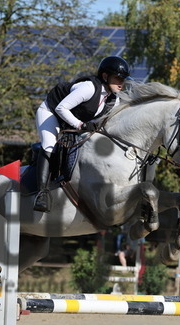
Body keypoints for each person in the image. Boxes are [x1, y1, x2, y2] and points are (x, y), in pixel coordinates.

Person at [33, 56, 130, 212]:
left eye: (123, 79)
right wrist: (81, 125)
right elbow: (61, 108)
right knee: (49, 144)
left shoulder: (114, 101)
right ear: (105, 76)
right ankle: (42, 194)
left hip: (72, 121)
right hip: (51, 112)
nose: (121, 83)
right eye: (118, 78)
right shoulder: (89, 87)